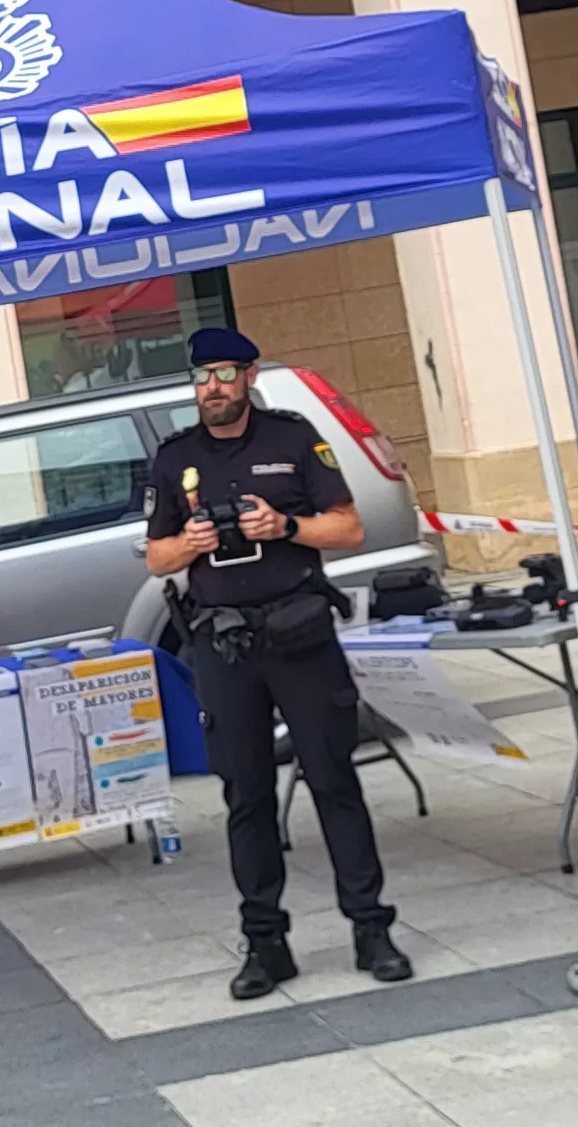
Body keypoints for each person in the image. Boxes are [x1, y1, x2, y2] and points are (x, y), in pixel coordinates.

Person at [143, 324, 408, 999]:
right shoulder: (176, 459)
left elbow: (348, 528)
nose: (214, 388)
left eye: (227, 375)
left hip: (298, 634)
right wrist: (192, 542)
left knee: (333, 781)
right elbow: (157, 558)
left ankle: (370, 929)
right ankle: (266, 944)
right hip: (224, 644)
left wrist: (283, 527)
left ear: (250, 377)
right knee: (245, 795)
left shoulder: (292, 440)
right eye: (203, 378)